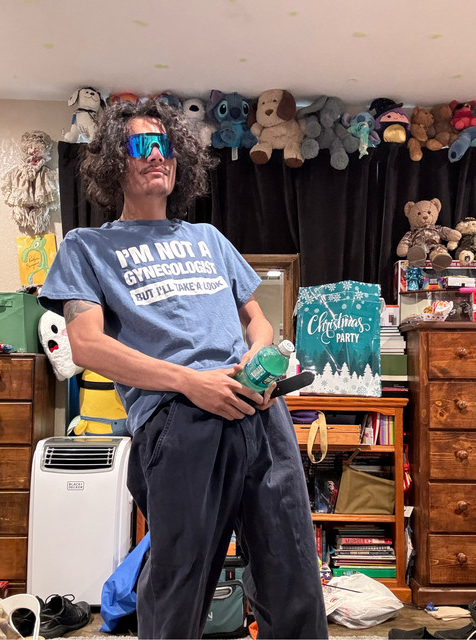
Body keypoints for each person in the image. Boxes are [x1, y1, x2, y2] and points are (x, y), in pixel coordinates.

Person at [39, 98, 328, 640]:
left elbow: (257, 321)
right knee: (179, 586)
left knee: (292, 574)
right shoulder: (87, 247)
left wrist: (257, 354)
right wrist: (190, 382)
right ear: (114, 159)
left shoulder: (210, 239)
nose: (157, 155)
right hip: (179, 419)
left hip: (260, 412)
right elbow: (87, 345)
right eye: (142, 145)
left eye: (166, 145)